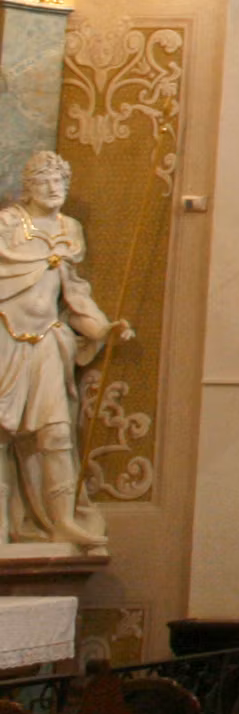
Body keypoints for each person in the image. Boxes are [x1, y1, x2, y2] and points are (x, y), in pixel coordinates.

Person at [0, 153, 126, 546]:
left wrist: (102, 327)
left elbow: (74, 293)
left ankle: (62, 521)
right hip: (5, 337)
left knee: (56, 433)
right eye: (45, 182)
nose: (55, 189)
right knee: (1, 434)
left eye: (61, 183)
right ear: (29, 186)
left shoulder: (69, 229)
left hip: (48, 341)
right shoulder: (7, 225)